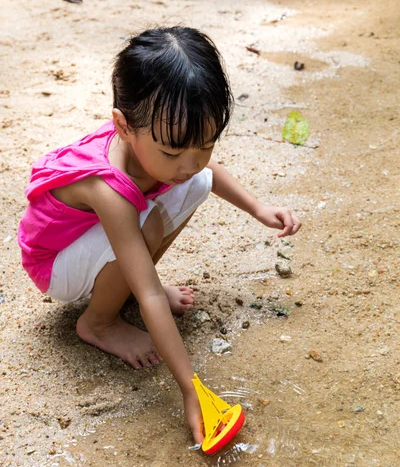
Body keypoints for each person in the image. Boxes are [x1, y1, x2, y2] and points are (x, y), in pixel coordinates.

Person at [18, 26, 301, 444]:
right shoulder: (107, 188)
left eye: (204, 144)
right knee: (145, 227)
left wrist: (258, 208)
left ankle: (123, 283)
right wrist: (190, 387)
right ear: (124, 126)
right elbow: (151, 294)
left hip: (98, 241)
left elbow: (205, 172)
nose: (188, 161)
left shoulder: (162, 144)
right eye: (172, 152)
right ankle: (98, 321)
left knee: (197, 184)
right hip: (56, 263)